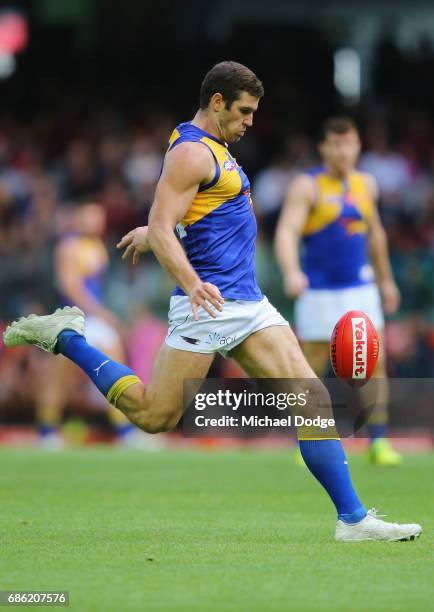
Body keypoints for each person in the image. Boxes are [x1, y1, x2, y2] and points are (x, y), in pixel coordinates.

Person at [3, 62, 421, 541]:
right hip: (206, 304)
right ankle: (67, 337)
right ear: (217, 101)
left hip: (246, 301)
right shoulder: (191, 153)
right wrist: (187, 273)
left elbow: (178, 217)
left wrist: (159, 228)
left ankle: (353, 519)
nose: (250, 122)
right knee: (154, 416)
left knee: (312, 400)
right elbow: (164, 225)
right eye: (244, 111)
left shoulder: (213, 148)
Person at [275, 116, 402, 466]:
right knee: (312, 367)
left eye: (351, 144)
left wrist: (386, 279)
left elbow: (375, 234)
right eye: (338, 144)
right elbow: (287, 232)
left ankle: (379, 442)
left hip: (360, 288)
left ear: (358, 146)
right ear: (324, 147)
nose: (345, 152)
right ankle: (308, 441)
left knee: (374, 365)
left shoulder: (367, 184)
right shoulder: (308, 185)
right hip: (319, 291)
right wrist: (291, 272)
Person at [36, 200, 156, 449]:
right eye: (90, 216)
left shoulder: (97, 246)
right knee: (59, 378)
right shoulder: (69, 247)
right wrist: (103, 314)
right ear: (78, 218)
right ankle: (47, 433)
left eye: (98, 217)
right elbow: (70, 287)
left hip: (93, 320)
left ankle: (124, 431)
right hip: (73, 318)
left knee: (116, 367)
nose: (95, 222)